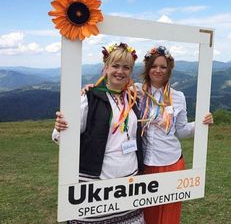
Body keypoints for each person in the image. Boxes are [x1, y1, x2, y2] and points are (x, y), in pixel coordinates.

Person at [52, 43, 145, 224]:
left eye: (126, 67)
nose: (120, 71)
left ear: (131, 72)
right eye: (115, 66)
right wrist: (60, 127)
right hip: (96, 182)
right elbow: (60, 137)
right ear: (105, 68)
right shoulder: (88, 97)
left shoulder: (132, 98)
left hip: (129, 180)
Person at [137, 45, 214, 224]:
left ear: (169, 70)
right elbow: (112, 90)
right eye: (154, 66)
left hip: (171, 162)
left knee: (169, 214)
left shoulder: (178, 96)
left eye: (163, 67)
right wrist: (89, 88)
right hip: (143, 164)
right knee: (146, 212)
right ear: (148, 68)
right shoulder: (136, 91)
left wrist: (201, 124)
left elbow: (182, 131)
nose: (158, 70)